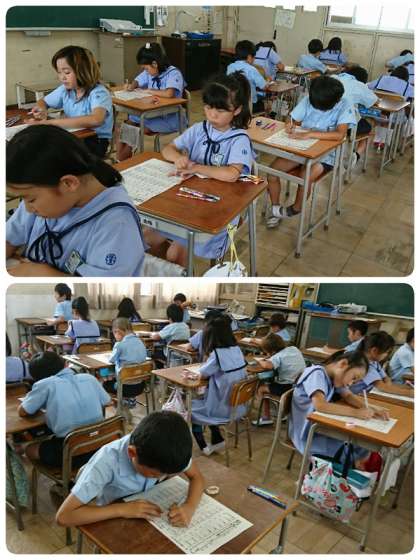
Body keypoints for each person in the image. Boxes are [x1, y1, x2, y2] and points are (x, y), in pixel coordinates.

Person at [6, 126, 145, 277]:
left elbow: (101, 285)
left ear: (69, 183)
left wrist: (41, 274)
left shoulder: (117, 223)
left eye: (31, 199)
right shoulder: (44, 198)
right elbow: (8, 238)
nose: (27, 208)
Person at [155, 72, 254, 266]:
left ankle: (181, 272)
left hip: (219, 211)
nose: (212, 115)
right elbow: (168, 149)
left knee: (174, 254)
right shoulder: (199, 129)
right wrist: (178, 158)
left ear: (236, 110)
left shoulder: (239, 139)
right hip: (188, 202)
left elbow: (231, 174)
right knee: (146, 237)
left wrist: (196, 167)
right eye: (208, 107)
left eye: (221, 110)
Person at [56, 412, 204, 527]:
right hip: (114, 516)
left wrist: (189, 506)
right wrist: (122, 509)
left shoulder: (168, 450)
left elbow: (197, 477)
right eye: (154, 474)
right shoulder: (106, 463)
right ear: (132, 453)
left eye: (165, 474)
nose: (160, 477)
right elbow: (63, 516)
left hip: (148, 511)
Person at [266, 75, 356, 226]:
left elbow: (340, 135)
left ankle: (295, 209)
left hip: (327, 155)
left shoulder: (344, 104)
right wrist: (289, 124)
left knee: (305, 175)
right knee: (272, 172)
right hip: (301, 149)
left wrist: (309, 134)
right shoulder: (310, 98)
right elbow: (293, 119)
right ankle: (275, 208)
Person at [289, 350, 389, 469]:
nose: (351, 383)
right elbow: (321, 405)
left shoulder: (334, 378)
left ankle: (354, 469)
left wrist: (371, 408)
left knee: (362, 445)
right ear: (343, 364)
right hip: (308, 436)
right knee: (350, 455)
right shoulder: (316, 373)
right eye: (353, 378)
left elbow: (348, 396)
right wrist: (356, 413)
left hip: (321, 429)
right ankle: (336, 475)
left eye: (355, 382)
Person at [19, 351, 110, 467]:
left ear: (37, 377)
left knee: (29, 450)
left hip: (71, 451)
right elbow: (107, 401)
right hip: (100, 444)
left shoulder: (44, 384)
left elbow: (23, 411)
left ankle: (66, 473)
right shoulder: (89, 378)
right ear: (65, 364)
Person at [27, 45, 113, 157]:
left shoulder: (99, 92)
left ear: (84, 71)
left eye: (67, 72)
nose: (62, 77)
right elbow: (43, 101)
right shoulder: (65, 90)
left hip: (95, 141)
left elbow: (96, 120)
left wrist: (51, 123)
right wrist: (41, 108)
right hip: (74, 135)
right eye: (59, 72)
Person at [117, 42, 186, 161]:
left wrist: (149, 91)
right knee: (125, 126)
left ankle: (123, 159)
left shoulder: (174, 73)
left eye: (146, 68)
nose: (145, 71)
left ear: (155, 64)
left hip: (170, 118)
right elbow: (138, 80)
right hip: (153, 114)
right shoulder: (150, 71)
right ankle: (121, 160)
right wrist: (131, 86)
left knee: (133, 130)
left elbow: (169, 93)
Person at [191, 316, 248, 455]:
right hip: (238, 407)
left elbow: (202, 374)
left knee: (188, 408)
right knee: (203, 401)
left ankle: (203, 446)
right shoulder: (237, 350)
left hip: (222, 409)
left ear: (211, 337)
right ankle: (217, 438)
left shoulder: (217, 355)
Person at [253, 333, 306, 426]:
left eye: (266, 352)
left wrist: (260, 360)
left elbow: (267, 366)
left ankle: (266, 417)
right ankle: (283, 412)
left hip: (286, 388)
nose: (266, 354)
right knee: (273, 382)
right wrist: (270, 357)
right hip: (299, 385)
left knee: (261, 388)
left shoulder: (278, 356)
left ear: (273, 351)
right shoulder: (293, 348)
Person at [333, 65, 378, 168]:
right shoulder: (359, 85)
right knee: (370, 125)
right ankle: (356, 155)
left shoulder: (332, 78)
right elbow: (374, 101)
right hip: (346, 126)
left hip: (325, 121)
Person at [346, 332, 414, 397]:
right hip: (356, 396)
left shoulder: (374, 362)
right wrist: (410, 393)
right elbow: (382, 387)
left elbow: (386, 378)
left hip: (369, 393)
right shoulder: (364, 365)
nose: (386, 355)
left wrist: (388, 385)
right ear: (374, 351)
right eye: (386, 352)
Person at [104, 318, 148, 408]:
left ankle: (120, 404)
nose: (115, 337)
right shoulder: (141, 342)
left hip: (124, 387)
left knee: (104, 379)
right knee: (126, 370)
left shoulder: (119, 345)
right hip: (140, 385)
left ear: (118, 331)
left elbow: (111, 360)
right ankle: (129, 400)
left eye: (114, 334)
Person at [227, 40, 269, 113]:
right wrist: (268, 81)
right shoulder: (251, 69)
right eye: (254, 57)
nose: (254, 59)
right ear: (249, 57)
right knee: (265, 103)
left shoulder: (230, 67)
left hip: (234, 103)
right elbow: (264, 87)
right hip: (249, 105)